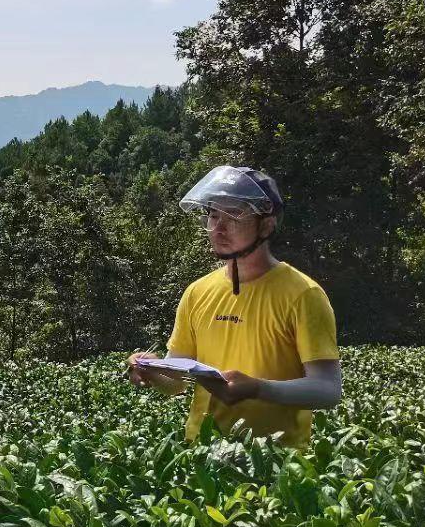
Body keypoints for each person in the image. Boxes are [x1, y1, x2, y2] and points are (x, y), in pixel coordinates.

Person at [127, 166, 341, 449]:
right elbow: (177, 383)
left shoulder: (303, 294)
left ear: (267, 224)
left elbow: (327, 390)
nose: (218, 227)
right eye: (214, 214)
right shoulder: (197, 292)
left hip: (277, 462)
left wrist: (259, 388)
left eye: (235, 215)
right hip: (203, 455)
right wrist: (151, 370)